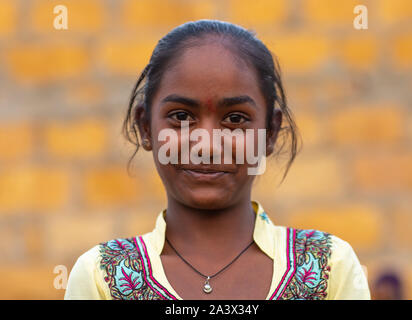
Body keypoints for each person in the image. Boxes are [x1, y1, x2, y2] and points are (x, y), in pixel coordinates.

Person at [64, 19, 370, 300]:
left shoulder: (329, 268)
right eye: (181, 116)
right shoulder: (102, 276)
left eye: (235, 119)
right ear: (146, 126)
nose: (207, 144)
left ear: (270, 132)